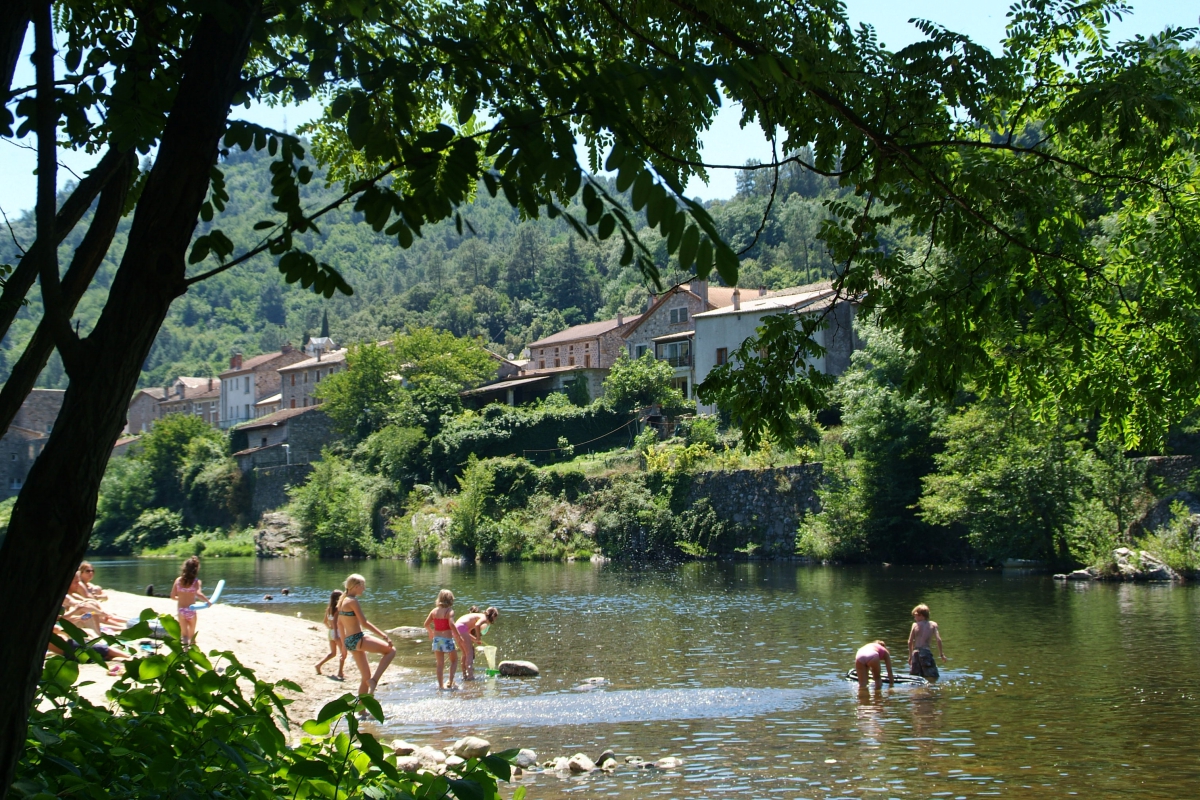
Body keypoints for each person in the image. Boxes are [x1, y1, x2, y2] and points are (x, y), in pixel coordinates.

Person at [337, 574, 396, 697]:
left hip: (350, 642)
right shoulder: (352, 601)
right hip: (358, 639)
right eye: (363, 586)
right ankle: (374, 681)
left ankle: (362, 711)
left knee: (365, 677)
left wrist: (343, 646)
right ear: (356, 586)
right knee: (391, 651)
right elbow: (364, 622)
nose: (364, 589)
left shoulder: (342, 600)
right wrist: (384, 635)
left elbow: (340, 624)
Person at [424, 589, 467, 690]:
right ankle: (450, 682)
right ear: (450, 600)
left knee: (440, 664)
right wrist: (459, 636)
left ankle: (440, 686)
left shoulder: (434, 611)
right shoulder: (449, 611)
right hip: (447, 640)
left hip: (437, 640)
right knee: (454, 661)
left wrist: (430, 632)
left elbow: (426, 624)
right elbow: (451, 624)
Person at [170, 556, 209, 648]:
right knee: (192, 636)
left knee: (184, 635)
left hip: (181, 611)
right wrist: (208, 601)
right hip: (191, 610)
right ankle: (194, 654)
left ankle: (185, 653)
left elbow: (172, 596)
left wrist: (180, 599)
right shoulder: (196, 582)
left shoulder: (178, 581)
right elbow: (199, 594)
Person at [455, 606, 499, 681]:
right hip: (461, 627)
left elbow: (467, 632)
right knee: (470, 653)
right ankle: (470, 676)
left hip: (456, 627)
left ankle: (465, 675)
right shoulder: (484, 617)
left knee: (465, 654)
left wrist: (475, 640)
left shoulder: (480, 616)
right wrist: (478, 637)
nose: (495, 619)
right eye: (495, 617)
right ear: (493, 615)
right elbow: (477, 625)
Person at [907, 603, 946, 679]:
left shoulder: (914, 625)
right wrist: (941, 654)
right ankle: (928, 690)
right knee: (933, 677)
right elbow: (939, 639)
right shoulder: (933, 625)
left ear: (921, 615)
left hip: (915, 654)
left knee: (914, 678)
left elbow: (910, 641)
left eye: (915, 616)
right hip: (926, 653)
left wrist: (910, 656)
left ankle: (917, 690)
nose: (914, 618)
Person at [316, 590, 348, 680]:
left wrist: (330, 628)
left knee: (333, 653)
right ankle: (340, 672)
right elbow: (335, 622)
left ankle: (318, 665)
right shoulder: (337, 610)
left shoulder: (329, 609)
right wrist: (336, 632)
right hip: (337, 632)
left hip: (330, 632)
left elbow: (324, 622)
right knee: (343, 653)